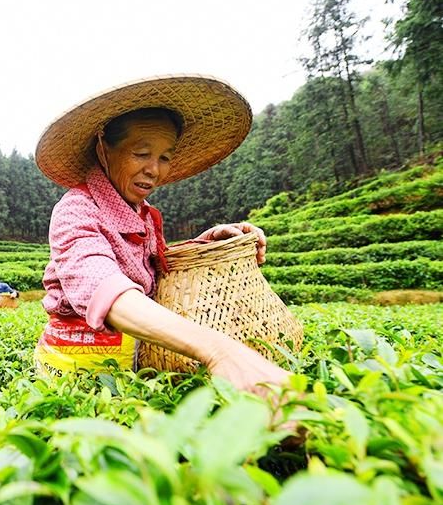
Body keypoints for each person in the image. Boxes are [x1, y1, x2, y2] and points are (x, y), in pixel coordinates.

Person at [33, 74, 290, 400]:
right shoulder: (76, 211)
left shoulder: (143, 213)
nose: (154, 170)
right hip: (73, 372)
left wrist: (210, 242)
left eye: (165, 157)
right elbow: (104, 289)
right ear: (103, 147)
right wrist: (220, 350)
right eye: (141, 154)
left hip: (136, 364)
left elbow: (156, 266)